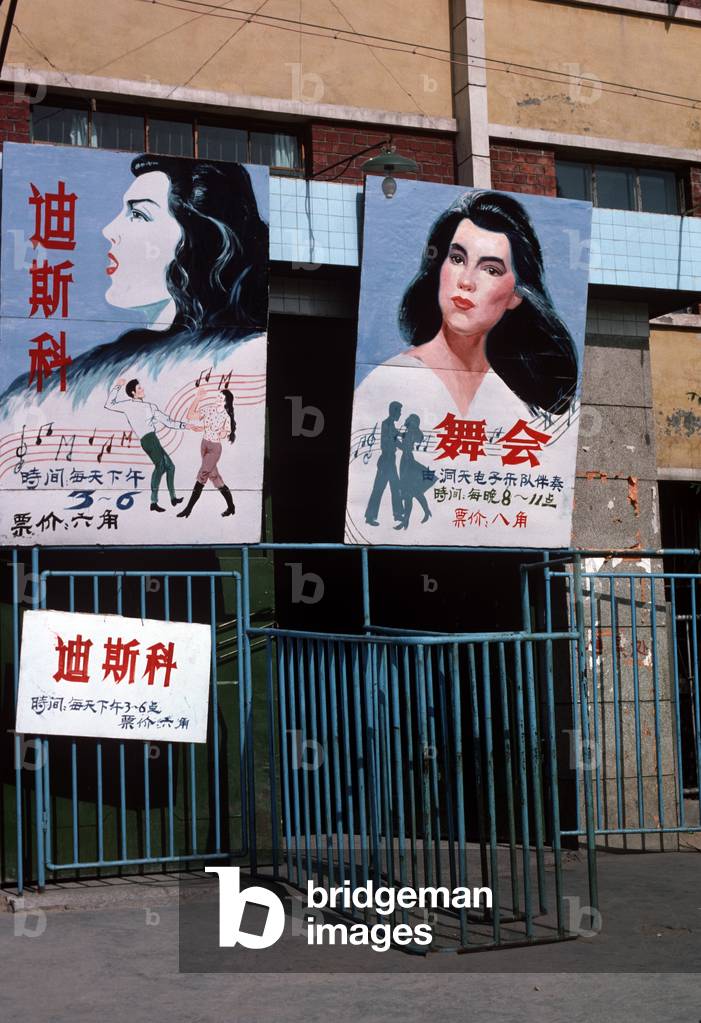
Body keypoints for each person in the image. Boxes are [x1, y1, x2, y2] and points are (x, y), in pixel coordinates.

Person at [0, 153, 269, 407]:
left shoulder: (235, 355)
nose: (109, 230)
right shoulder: (93, 369)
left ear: (200, 241)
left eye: (138, 214)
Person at [395, 189, 578, 416]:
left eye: (491, 270)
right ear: (439, 267)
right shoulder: (392, 380)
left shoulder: (522, 405)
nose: (466, 281)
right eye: (457, 259)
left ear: (516, 295)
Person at [104, 377, 198, 512]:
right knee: (160, 466)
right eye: (139, 388)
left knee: (170, 467)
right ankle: (153, 502)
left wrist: (186, 426)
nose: (142, 390)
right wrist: (117, 386)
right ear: (133, 393)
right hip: (147, 440)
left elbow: (168, 421)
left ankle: (173, 498)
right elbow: (109, 404)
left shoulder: (150, 406)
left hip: (153, 438)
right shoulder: (127, 405)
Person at [177, 388, 237, 518]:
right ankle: (231, 507)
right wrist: (197, 399)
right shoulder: (210, 409)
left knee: (202, 475)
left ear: (226, 402)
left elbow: (225, 432)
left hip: (214, 448)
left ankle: (188, 509)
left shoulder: (226, 417)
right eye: (217, 397)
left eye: (221, 399)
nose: (217, 400)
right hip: (204, 445)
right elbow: (190, 415)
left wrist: (214, 430)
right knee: (215, 478)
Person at [364, 400, 403, 526]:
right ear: (394, 411)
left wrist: (405, 441)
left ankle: (397, 514)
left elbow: (398, 437)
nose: (400, 414)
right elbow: (393, 440)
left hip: (390, 461)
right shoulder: (386, 424)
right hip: (386, 461)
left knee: (395, 488)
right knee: (379, 489)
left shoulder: (391, 425)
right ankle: (370, 517)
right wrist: (401, 443)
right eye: (399, 411)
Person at [395, 413, 433, 530]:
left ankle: (414, 517)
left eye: (408, 419)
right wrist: (397, 435)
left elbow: (406, 447)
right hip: (406, 460)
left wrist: (395, 441)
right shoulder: (409, 432)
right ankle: (409, 519)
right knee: (411, 493)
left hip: (407, 461)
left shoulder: (412, 432)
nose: (405, 419)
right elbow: (404, 438)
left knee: (411, 492)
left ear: (412, 422)